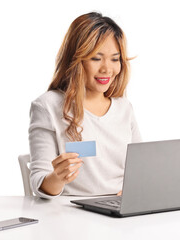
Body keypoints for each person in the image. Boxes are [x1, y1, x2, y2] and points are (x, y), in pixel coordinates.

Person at [28, 12, 142, 199]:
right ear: (75, 60)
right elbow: (39, 183)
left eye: (115, 59)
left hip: (121, 210)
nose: (107, 68)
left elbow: (141, 167)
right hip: (73, 213)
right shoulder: (47, 106)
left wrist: (135, 188)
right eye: (96, 58)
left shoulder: (124, 108)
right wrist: (57, 177)